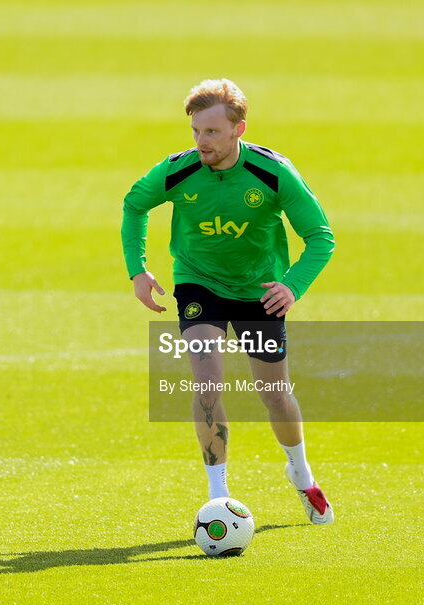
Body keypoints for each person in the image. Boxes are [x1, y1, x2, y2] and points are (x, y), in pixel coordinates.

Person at [120, 79, 336, 524]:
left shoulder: (273, 173)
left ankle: (301, 473)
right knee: (207, 383)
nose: (201, 141)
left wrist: (292, 285)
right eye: (196, 131)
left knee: (274, 394)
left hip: (260, 292)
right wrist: (137, 269)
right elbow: (134, 205)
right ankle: (218, 496)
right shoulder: (178, 170)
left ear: (239, 129)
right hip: (199, 285)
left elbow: (320, 237)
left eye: (212, 132)